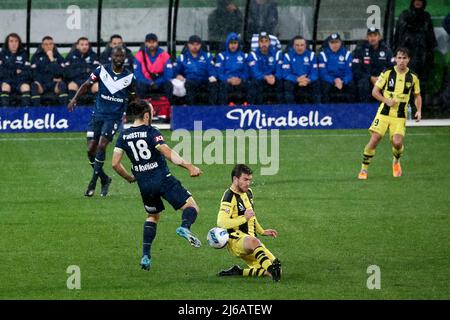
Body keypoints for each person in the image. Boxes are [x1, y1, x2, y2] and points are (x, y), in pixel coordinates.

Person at [111, 99, 203, 270]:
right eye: (152, 112)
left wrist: (129, 178)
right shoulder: (151, 132)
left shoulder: (123, 135)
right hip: (163, 179)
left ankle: (146, 255)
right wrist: (190, 167)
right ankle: (184, 227)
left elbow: (115, 163)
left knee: (152, 216)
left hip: (144, 184)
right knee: (192, 207)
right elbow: (167, 153)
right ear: (146, 115)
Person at [67, 47, 136, 197]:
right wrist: (74, 98)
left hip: (114, 117)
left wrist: (131, 114)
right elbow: (86, 85)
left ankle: (92, 182)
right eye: (116, 55)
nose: (119, 58)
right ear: (111, 57)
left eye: (121, 56)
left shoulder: (130, 77)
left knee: (102, 145)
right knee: (90, 149)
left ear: (124, 58)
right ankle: (104, 179)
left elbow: (133, 98)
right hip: (97, 114)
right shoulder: (101, 70)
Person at [358, 47, 422, 180]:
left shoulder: (413, 77)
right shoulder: (387, 73)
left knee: (397, 143)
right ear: (395, 59)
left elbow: (417, 96)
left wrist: (419, 110)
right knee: (375, 139)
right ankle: (364, 169)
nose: (401, 61)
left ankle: (396, 161)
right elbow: (375, 92)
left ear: (408, 60)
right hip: (384, 113)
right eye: (399, 58)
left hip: (399, 115)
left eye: (404, 58)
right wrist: (386, 100)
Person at [216, 164, 281, 281]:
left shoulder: (248, 192)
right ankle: (270, 268)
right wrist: (243, 219)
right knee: (258, 248)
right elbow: (221, 222)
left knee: (278, 269)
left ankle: (239, 271)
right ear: (235, 179)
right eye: (245, 179)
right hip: (236, 240)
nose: (248, 183)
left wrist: (262, 231)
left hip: (251, 239)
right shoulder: (229, 196)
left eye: (250, 180)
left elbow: (251, 216)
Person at [173, 35, 218, 105]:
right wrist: (177, 75)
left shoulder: (207, 56)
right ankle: (192, 110)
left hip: (204, 81)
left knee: (214, 84)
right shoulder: (182, 57)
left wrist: (212, 76)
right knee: (189, 84)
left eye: (197, 44)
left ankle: (211, 109)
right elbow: (175, 70)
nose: (195, 46)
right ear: (188, 45)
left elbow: (211, 69)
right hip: (190, 81)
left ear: (200, 45)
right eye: (192, 44)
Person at [352, 27, 394, 102]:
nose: (373, 38)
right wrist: (370, 77)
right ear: (367, 37)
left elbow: (392, 67)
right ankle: (364, 109)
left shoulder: (386, 50)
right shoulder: (360, 50)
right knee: (363, 84)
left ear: (379, 37)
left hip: (382, 78)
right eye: (370, 36)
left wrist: (381, 78)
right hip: (366, 79)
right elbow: (356, 69)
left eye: (375, 35)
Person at [133, 33, 174, 102]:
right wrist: (149, 82)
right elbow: (138, 75)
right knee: (139, 84)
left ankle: (167, 108)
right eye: (149, 42)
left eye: (154, 42)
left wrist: (157, 83)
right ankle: (142, 108)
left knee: (168, 84)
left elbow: (168, 74)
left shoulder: (164, 55)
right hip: (145, 83)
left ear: (157, 43)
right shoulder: (139, 55)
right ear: (145, 43)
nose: (152, 44)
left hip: (161, 83)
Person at [247, 32, 284, 104]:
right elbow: (255, 72)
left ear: (269, 42)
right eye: (261, 41)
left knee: (282, 83)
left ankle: (281, 110)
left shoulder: (277, 53)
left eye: (266, 41)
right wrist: (265, 77)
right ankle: (257, 109)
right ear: (258, 43)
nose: (264, 44)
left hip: (273, 80)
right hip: (261, 80)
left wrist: (275, 77)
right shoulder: (253, 55)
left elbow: (279, 70)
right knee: (255, 83)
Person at [30, 36, 67, 106]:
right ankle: (37, 112)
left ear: (53, 45)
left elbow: (62, 72)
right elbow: (33, 73)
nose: (48, 46)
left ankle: (64, 112)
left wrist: (52, 59)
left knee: (62, 85)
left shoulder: (58, 57)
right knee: (34, 85)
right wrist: (38, 82)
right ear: (42, 46)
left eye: (50, 44)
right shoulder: (36, 57)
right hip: (42, 83)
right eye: (46, 44)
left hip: (55, 84)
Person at [282, 35, 320, 104]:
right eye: (297, 45)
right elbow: (286, 74)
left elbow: (314, 73)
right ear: (293, 46)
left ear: (305, 46)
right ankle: (291, 110)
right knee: (287, 84)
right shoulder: (287, 56)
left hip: (307, 80)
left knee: (316, 84)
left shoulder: (311, 55)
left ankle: (317, 110)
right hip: (294, 80)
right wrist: (297, 79)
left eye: (302, 45)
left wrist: (308, 80)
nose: (299, 47)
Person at [318, 33, 355, 103]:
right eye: (332, 42)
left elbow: (349, 72)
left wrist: (343, 81)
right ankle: (325, 110)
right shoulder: (323, 54)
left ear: (340, 42)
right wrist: (334, 80)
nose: (334, 45)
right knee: (324, 86)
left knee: (352, 86)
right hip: (329, 80)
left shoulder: (347, 54)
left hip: (343, 80)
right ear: (328, 43)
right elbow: (323, 73)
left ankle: (351, 111)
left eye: (336, 42)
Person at [216, 33, 249, 106]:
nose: (233, 45)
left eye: (235, 43)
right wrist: (229, 79)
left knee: (250, 84)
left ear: (238, 44)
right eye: (231, 43)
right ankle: (223, 109)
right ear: (227, 44)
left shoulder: (244, 56)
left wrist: (240, 79)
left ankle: (249, 108)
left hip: (240, 80)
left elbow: (246, 71)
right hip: (227, 81)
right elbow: (219, 73)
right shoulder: (221, 56)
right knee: (222, 86)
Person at [65, 37, 100, 103]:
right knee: (71, 85)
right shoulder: (71, 56)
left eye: (86, 45)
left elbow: (96, 71)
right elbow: (67, 72)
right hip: (76, 81)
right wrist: (84, 70)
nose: (84, 47)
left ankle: (96, 109)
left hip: (90, 82)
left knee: (97, 86)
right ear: (77, 46)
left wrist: (78, 70)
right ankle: (72, 107)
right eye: (82, 44)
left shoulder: (93, 55)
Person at [0, 33, 31, 106]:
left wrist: (10, 70)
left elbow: (27, 71)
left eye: (16, 41)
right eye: (11, 41)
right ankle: (5, 111)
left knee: (26, 86)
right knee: (5, 86)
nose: (14, 44)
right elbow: (2, 72)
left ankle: (25, 111)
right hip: (6, 81)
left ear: (19, 43)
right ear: (7, 43)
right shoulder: (2, 54)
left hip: (20, 81)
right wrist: (15, 71)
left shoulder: (24, 54)